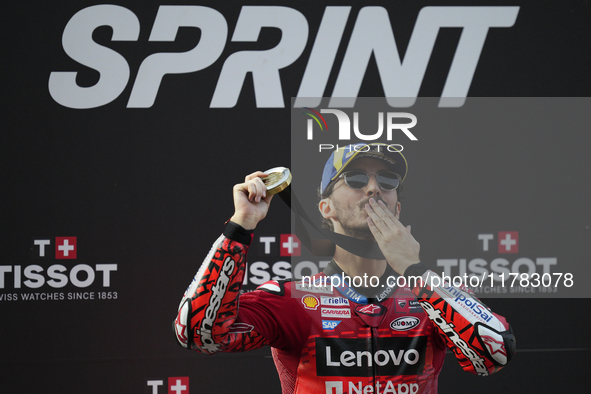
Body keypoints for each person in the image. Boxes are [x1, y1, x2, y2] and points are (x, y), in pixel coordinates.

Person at [173, 143, 516, 394]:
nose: (373, 188)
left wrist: (414, 270)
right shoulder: (294, 299)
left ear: (397, 208)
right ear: (326, 208)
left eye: (387, 180)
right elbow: (198, 333)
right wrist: (240, 226)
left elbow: (493, 354)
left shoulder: (430, 296)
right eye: (354, 179)